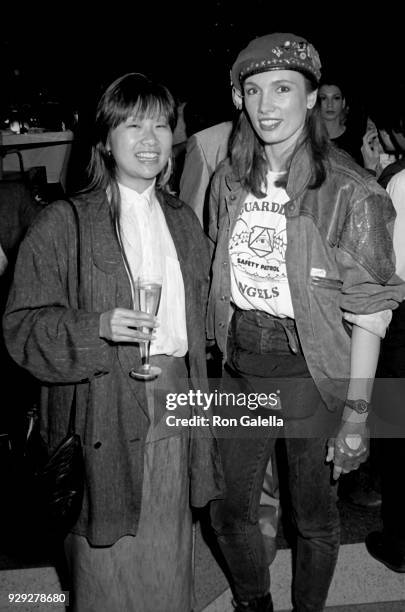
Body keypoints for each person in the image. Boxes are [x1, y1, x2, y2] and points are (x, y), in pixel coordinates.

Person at [3, 72, 223, 612]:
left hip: (176, 400)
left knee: (168, 549)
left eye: (160, 124)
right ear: (104, 139)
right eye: (132, 125)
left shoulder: (183, 220)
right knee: (103, 561)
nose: (150, 139)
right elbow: (20, 328)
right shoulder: (63, 222)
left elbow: (200, 324)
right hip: (98, 409)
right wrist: (96, 326)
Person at [207, 32, 404, 612]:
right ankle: (253, 601)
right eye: (254, 90)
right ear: (240, 99)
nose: (268, 104)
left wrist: (358, 413)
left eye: (284, 89)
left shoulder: (353, 191)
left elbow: (370, 314)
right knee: (227, 509)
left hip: (310, 367)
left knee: (313, 518)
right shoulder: (229, 180)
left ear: (313, 98)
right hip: (242, 361)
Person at [362, 102, 405, 572]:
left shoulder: (398, 180)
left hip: (401, 325)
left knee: (398, 442)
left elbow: (387, 271)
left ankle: (399, 541)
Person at [318, 76, 364, 165]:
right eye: (324, 98)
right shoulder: (308, 139)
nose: (330, 104)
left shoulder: (356, 140)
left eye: (336, 98)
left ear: (343, 103)